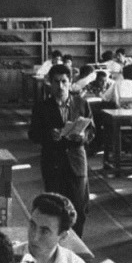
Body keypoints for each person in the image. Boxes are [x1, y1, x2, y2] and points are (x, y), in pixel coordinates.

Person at [29, 64, 93, 236]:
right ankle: (58, 244)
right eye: (56, 82)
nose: (60, 86)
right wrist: (49, 135)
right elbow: (33, 135)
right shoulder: (42, 107)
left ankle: (77, 243)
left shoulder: (81, 103)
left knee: (80, 207)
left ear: (70, 82)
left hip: (77, 161)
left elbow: (91, 131)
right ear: (50, 83)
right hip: (53, 162)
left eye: (64, 81)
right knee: (55, 209)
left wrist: (83, 137)